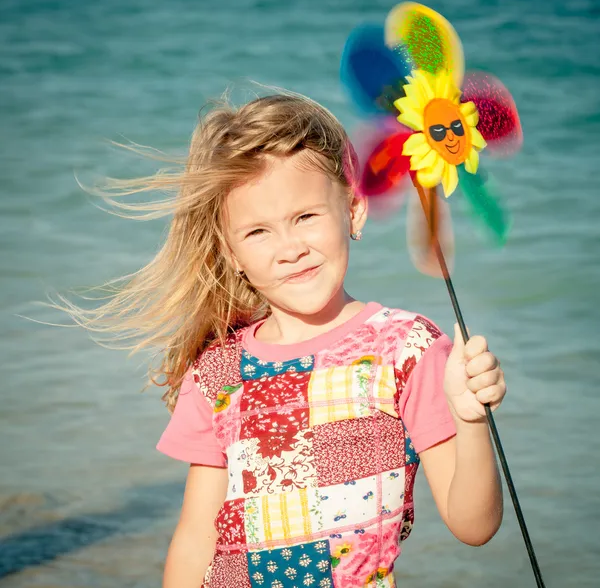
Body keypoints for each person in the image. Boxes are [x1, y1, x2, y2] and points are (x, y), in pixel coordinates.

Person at [65, 92, 506, 588]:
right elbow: (194, 538)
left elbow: (475, 526)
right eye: (258, 232)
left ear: (354, 211)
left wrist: (471, 420)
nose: (290, 249)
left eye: (306, 217)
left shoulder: (406, 350)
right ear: (231, 253)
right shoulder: (218, 371)